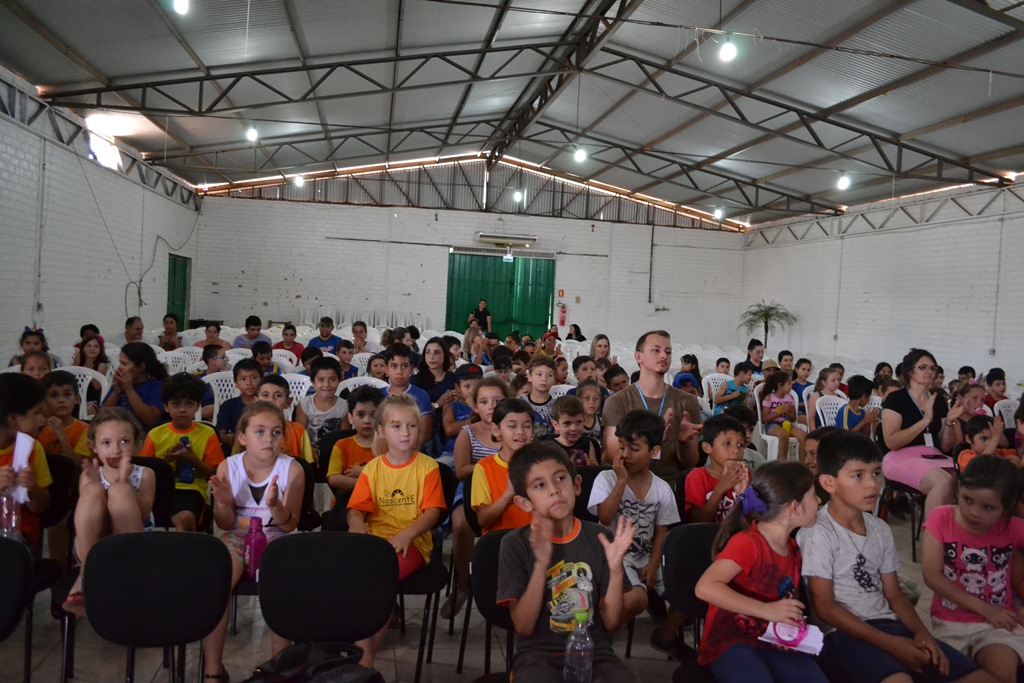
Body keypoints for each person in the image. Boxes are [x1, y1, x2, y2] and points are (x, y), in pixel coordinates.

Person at [799, 430, 988, 683]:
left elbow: (895, 595)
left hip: (888, 624)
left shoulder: (879, 529)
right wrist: (893, 645)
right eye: (858, 475)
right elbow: (825, 608)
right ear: (828, 483)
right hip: (841, 636)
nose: (872, 484)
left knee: (979, 678)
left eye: (876, 473)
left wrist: (923, 635)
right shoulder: (818, 533)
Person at [497, 441, 636, 682]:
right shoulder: (515, 545)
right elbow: (523, 627)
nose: (554, 490)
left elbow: (611, 624)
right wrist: (541, 565)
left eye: (560, 479)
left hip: (595, 653)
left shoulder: (601, 539)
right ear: (524, 503)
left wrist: (615, 571)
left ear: (576, 485)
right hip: (538, 656)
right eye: (540, 485)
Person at [694, 461, 827, 683]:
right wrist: (766, 610)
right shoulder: (748, 543)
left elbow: (787, 594)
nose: (819, 501)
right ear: (794, 507)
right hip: (730, 639)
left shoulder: (792, 547)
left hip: (771, 636)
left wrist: (789, 617)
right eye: (813, 495)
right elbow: (705, 588)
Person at [204, 401, 304, 681]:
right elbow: (224, 524)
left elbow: (289, 525)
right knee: (218, 583)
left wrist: (275, 506)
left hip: (277, 540)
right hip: (237, 537)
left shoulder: (292, 469)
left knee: (280, 586)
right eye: (259, 432)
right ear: (243, 437)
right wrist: (224, 503)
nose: (268, 439)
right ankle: (212, 670)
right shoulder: (229, 467)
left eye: (275, 432)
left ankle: (280, 669)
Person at [347, 394, 447, 667]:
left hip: (411, 544)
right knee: (351, 578)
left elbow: (432, 514)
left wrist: (405, 535)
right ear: (381, 431)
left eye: (411, 426)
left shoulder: (427, 467)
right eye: (396, 426)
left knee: (378, 582)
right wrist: (356, 522)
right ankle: (355, 646)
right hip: (375, 543)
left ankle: (364, 660)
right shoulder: (372, 469)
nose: (405, 432)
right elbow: (356, 510)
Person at [922, 455, 1024, 683]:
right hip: (948, 622)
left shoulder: (1012, 526)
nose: (975, 512)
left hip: (996, 625)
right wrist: (987, 610)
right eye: (967, 500)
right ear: (958, 489)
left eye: (988, 507)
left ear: (1007, 507)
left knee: (1002, 672)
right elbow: (931, 576)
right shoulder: (941, 517)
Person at [590, 410, 683, 657]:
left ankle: (664, 635)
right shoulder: (606, 479)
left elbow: (662, 531)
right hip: (615, 556)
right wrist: (621, 482)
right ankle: (600, 634)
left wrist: (653, 564)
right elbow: (605, 517)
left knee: (690, 591)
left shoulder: (662, 489)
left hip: (647, 555)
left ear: (654, 451)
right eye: (621, 447)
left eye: (634, 448)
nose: (625, 455)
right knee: (636, 599)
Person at [61, 408, 155, 617]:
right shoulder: (89, 475)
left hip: (133, 541)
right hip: (94, 544)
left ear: (137, 444)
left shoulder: (146, 474)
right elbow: (87, 518)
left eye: (124, 441)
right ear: (93, 446)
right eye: (106, 443)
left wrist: (124, 482)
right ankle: (85, 577)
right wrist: (92, 486)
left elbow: (143, 513)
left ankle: (132, 576)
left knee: (119, 490)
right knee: (92, 490)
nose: (116, 450)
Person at [443, 377, 510, 618]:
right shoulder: (468, 432)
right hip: (472, 488)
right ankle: (463, 584)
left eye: (497, 401)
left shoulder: (513, 429)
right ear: (475, 406)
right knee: (461, 524)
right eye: (484, 401)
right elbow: (461, 470)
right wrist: (492, 467)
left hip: (507, 488)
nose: (491, 406)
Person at [602, 330, 702, 485]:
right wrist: (654, 439)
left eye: (668, 352)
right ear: (638, 356)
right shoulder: (618, 401)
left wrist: (684, 443)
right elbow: (614, 455)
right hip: (629, 485)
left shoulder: (687, 402)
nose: (664, 356)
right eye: (656, 350)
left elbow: (690, 464)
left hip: (671, 484)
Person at [879, 348, 958, 517]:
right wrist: (925, 420)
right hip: (900, 457)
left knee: (971, 480)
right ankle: (932, 532)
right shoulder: (896, 399)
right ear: (910, 371)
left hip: (933, 455)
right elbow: (892, 442)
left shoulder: (938, 400)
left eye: (933, 368)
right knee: (943, 482)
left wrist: (950, 422)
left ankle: (953, 531)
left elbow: (945, 445)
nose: (929, 371)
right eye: (923, 367)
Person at [140, 374, 224, 532]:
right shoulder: (155, 434)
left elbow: (214, 473)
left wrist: (191, 459)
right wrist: (164, 463)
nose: (182, 410)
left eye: (189, 404)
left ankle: (186, 547)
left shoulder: (207, 434)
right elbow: (142, 472)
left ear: (198, 406)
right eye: (176, 404)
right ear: (166, 406)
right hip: (157, 490)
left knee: (185, 518)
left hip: (191, 489)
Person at [0, 373, 53, 552]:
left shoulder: (32, 449)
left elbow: (41, 507)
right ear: (13, 419)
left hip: (21, 537)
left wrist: (32, 488)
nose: (42, 419)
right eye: (36, 413)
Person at [471, 397, 534, 535]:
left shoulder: (541, 464)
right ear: (496, 430)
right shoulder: (484, 467)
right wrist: (509, 494)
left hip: (536, 538)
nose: (521, 432)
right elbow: (483, 520)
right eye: (512, 426)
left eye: (527, 426)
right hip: (499, 541)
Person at [685, 415, 750, 523]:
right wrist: (721, 488)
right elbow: (699, 522)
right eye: (727, 444)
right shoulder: (697, 477)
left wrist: (742, 494)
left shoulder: (747, 477)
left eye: (740, 445)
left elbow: (753, 520)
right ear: (707, 448)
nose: (735, 450)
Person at [325, 385, 384, 493]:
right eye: (360, 415)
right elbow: (333, 478)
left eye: (373, 415)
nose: (367, 421)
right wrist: (368, 482)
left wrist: (364, 472)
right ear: (350, 418)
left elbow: (392, 476)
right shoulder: (341, 445)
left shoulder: (388, 446)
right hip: (348, 499)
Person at [101, 342, 167, 428]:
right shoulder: (120, 384)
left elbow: (151, 420)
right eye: (120, 363)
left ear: (141, 367)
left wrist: (130, 390)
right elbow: (101, 416)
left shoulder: (156, 387)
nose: (119, 367)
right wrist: (116, 392)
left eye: (124, 364)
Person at [254, 375, 314, 464]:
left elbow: (307, 465)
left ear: (288, 402)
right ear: (256, 401)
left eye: (278, 395)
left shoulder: (298, 431)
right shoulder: (249, 429)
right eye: (265, 395)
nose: (271, 400)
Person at [382, 343, 433, 444]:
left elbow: (426, 432)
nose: (399, 371)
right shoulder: (378, 395)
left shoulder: (420, 395)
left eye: (404, 366)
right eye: (394, 366)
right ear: (386, 370)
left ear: (411, 369)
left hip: (412, 447)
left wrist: (403, 447)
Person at [38, 371, 92, 464]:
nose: (61, 400)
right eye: (54, 396)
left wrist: (61, 436)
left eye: (67, 395)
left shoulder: (85, 429)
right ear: (44, 401)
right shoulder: (38, 427)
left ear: (77, 399)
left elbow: (78, 465)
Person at [295, 356, 346, 453]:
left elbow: (344, 438)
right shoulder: (304, 404)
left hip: (334, 453)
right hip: (308, 453)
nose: (327, 385)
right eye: (321, 380)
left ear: (339, 380)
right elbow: (300, 435)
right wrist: (311, 452)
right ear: (313, 382)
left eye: (332, 379)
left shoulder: (344, 407)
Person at [440, 363, 482, 466]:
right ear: (457, 387)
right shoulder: (451, 406)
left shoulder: (485, 406)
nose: (472, 391)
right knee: (438, 466)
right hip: (452, 453)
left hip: (479, 453)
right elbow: (449, 429)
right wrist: (476, 420)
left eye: (477, 386)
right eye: (467, 386)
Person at [216, 358, 261, 450]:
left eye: (254, 378)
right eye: (243, 379)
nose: (249, 383)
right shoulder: (228, 405)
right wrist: (225, 438)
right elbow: (221, 432)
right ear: (236, 383)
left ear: (262, 379)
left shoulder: (266, 406)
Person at [760, 370, 805, 461]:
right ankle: (782, 462)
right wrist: (780, 412)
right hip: (772, 425)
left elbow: (793, 418)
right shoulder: (769, 398)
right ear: (780, 385)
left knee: (803, 436)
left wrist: (787, 412)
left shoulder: (790, 398)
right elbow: (765, 419)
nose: (791, 386)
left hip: (787, 424)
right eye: (789, 384)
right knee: (783, 435)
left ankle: (802, 463)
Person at [542, 396, 599, 466]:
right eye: (567, 423)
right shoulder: (549, 447)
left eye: (578, 422)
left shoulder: (588, 444)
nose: (573, 428)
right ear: (556, 425)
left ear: (584, 421)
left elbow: (596, 467)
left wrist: (591, 466)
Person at [411, 336, 457, 418]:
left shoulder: (454, 378)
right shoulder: (414, 380)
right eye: (428, 352)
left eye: (437, 353)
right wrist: (437, 404)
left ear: (445, 355)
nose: (431, 357)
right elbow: (412, 411)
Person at [525, 355, 557, 439]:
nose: (544, 379)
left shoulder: (558, 406)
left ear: (554, 380)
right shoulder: (519, 403)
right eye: (539, 374)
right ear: (529, 377)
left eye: (549, 375)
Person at [75, 334, 110, 408]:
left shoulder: (101, 365)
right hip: (78, 399)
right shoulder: (79, 362)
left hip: (93, 401)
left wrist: (87, 368)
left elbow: (97, 386)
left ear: (100, 350)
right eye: (89, 346)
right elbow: (70, 381)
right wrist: (76, 365)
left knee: (84, 408)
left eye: (96, 346)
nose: (92, 349)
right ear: (83, 348)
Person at [806, 366, 843, 430]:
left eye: (838, 380)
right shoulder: (815, 396)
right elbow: (811, 418)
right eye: (833, 380)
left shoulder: (841, 398)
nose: (837, 383)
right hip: (820, 429)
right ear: (823, 382)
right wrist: (814, 432)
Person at [196, 344, 227, 421]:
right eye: (223, 357)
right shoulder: (197, 377)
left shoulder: (226, 379)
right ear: (212, 361)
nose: (226, 360)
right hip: (199, 411)